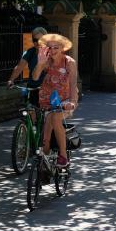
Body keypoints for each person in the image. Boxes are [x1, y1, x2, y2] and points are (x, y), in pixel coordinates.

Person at [32, 33, 78, 169]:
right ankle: (44, 169)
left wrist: (72, 102)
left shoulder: (69, 62)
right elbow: (35, 78)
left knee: (56, 118)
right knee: (45, 140)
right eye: (49, 48)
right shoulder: (46, 61)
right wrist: (40, 64)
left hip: (64, 101)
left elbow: (73, 83)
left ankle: (63, 156)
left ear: (63, 48)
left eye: (55, 48)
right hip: (46, 101)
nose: (52, 51)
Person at [7, 27, 48, 108]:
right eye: (35, 40)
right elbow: (19, 67)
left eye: (41, 40)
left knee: (47, 114)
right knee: (30, 111)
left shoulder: (51, 52)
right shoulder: (30, 52)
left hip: (47, 87)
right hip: (32, 87)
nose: (38, 43)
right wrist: (11, 80)